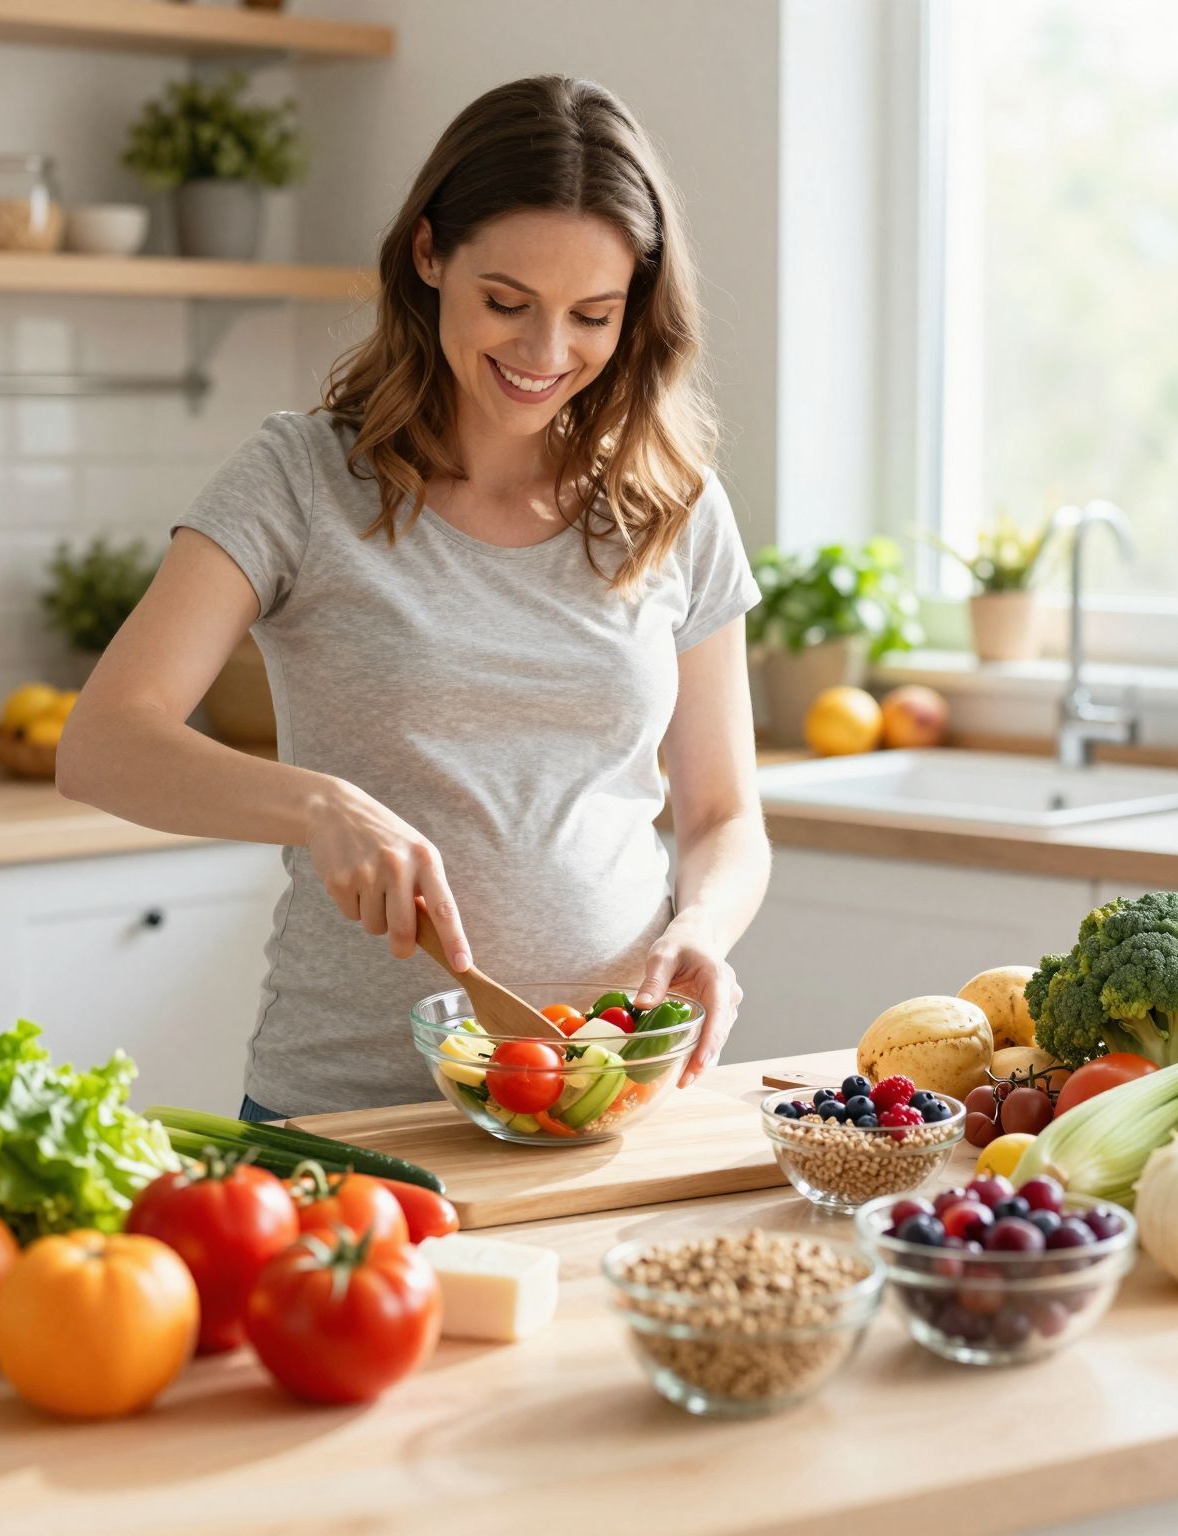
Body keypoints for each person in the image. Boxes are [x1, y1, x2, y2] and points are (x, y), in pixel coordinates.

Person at [57, 75, 770, 1117]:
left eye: (590, 316)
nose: (542, 354)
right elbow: (102, 742)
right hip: (349, 1110)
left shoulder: (670, 503)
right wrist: (319, 805)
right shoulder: (301, 479)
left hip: (603, 1101)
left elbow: (721, 813)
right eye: (506, 303)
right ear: (429, 255)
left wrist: (701, 925)